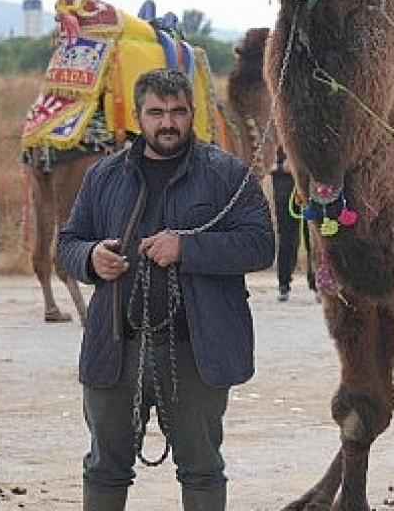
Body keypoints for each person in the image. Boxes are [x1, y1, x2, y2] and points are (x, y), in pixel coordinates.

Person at [56, 69, 274, 511]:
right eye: (156, 113)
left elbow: (261, 245)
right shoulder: (104, 175)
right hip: (116, 349)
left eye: (177, 112)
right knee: (104, 469)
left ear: (192, 113)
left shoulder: (227, 174)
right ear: (138, 117)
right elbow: (67, 244)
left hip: (195, 350)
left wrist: (188, 248)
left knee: (202, 470)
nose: (167, 122)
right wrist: (91, 257)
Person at [269, 146, 314, 302]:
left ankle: (317, 282)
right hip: (283, 174)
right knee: (287, 235)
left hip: (310, 173)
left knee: (314, 234)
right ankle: (284, 283)